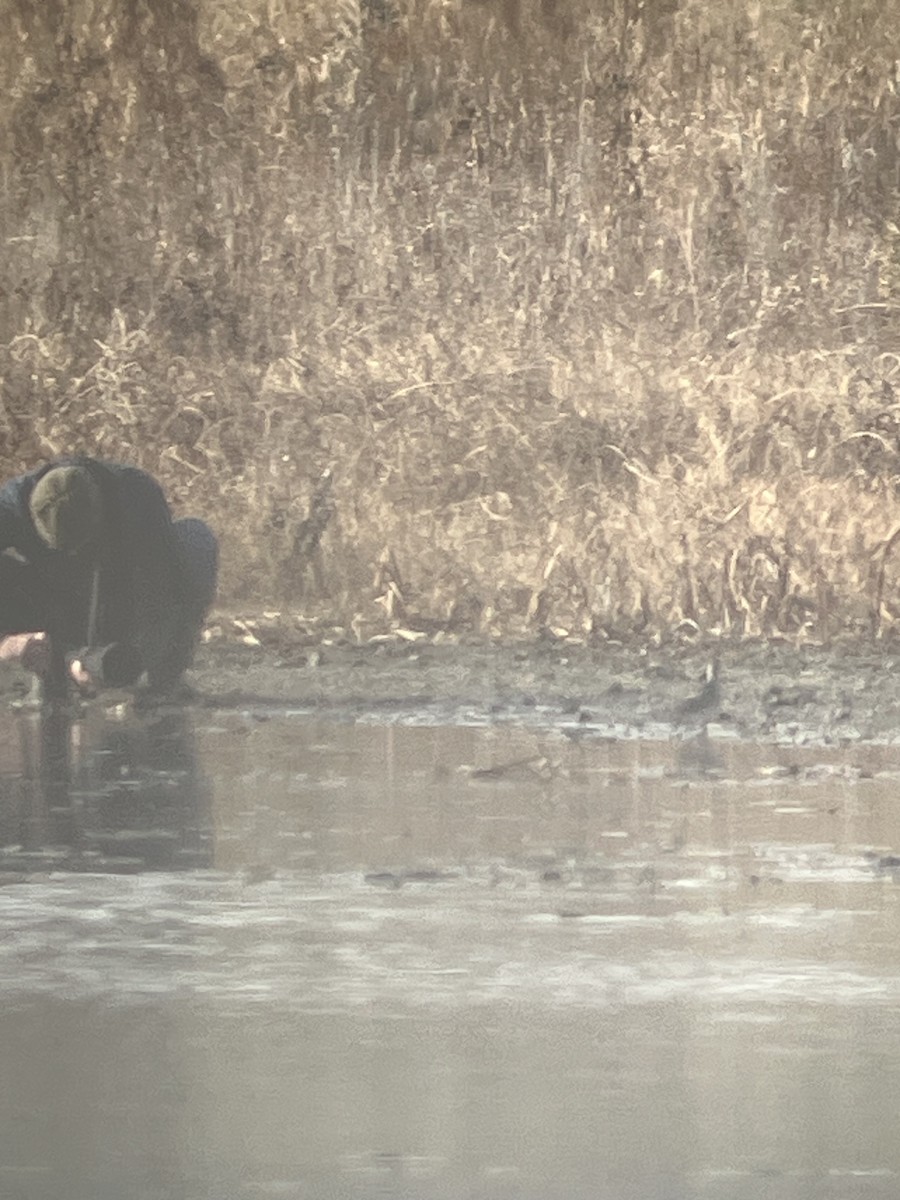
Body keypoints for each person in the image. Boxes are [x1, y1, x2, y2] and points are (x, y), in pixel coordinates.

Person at [0, 457, 217, 699]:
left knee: (196, 541)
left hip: (120, 605)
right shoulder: (10, 506)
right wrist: (8, 644)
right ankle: (47, 667)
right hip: (49, 609)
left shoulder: (137, 497)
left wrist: (134, 659)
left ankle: (165, 682)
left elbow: (161, 594)